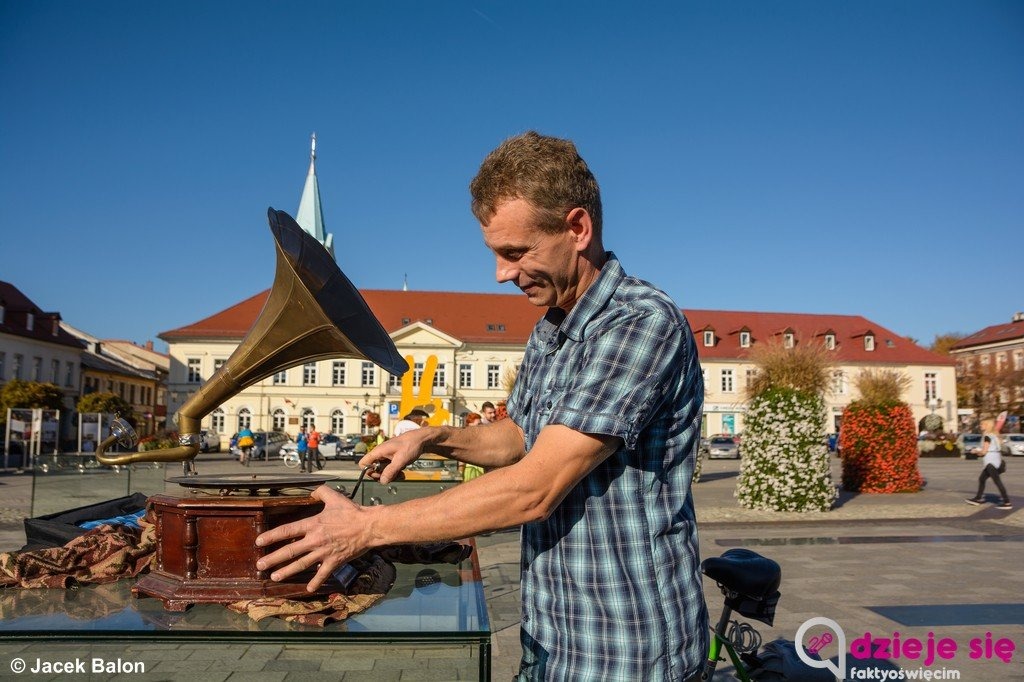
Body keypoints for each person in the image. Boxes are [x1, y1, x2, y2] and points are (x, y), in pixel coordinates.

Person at [255, 131, 708, 680]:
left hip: (625, 643)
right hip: (551, 626)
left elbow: (536, 486)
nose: (500, 273)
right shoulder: (553, 328)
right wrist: (433, 437)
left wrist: (366, 528)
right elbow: (518, 436)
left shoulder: (639, 322)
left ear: (577, 228)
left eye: (515, 252)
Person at [966, 434, 1011, 509]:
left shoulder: (987, 437)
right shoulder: (995, 436)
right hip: (996, 461)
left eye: (982, 424)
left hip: (990, 463)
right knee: (982, 479)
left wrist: (975, 451)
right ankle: (978, 498)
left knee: (997, 481)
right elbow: (998, 447)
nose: (981, 426)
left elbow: (983, 452)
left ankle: (1007, 502)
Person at [462, 413, 485, 481]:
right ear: (470, 425)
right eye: (478, 424)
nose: (481, 426)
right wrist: (460, 471)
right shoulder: (464, 437)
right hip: (470, 470)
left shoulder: (482, 437)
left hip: (481, 471)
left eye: (481, 424)